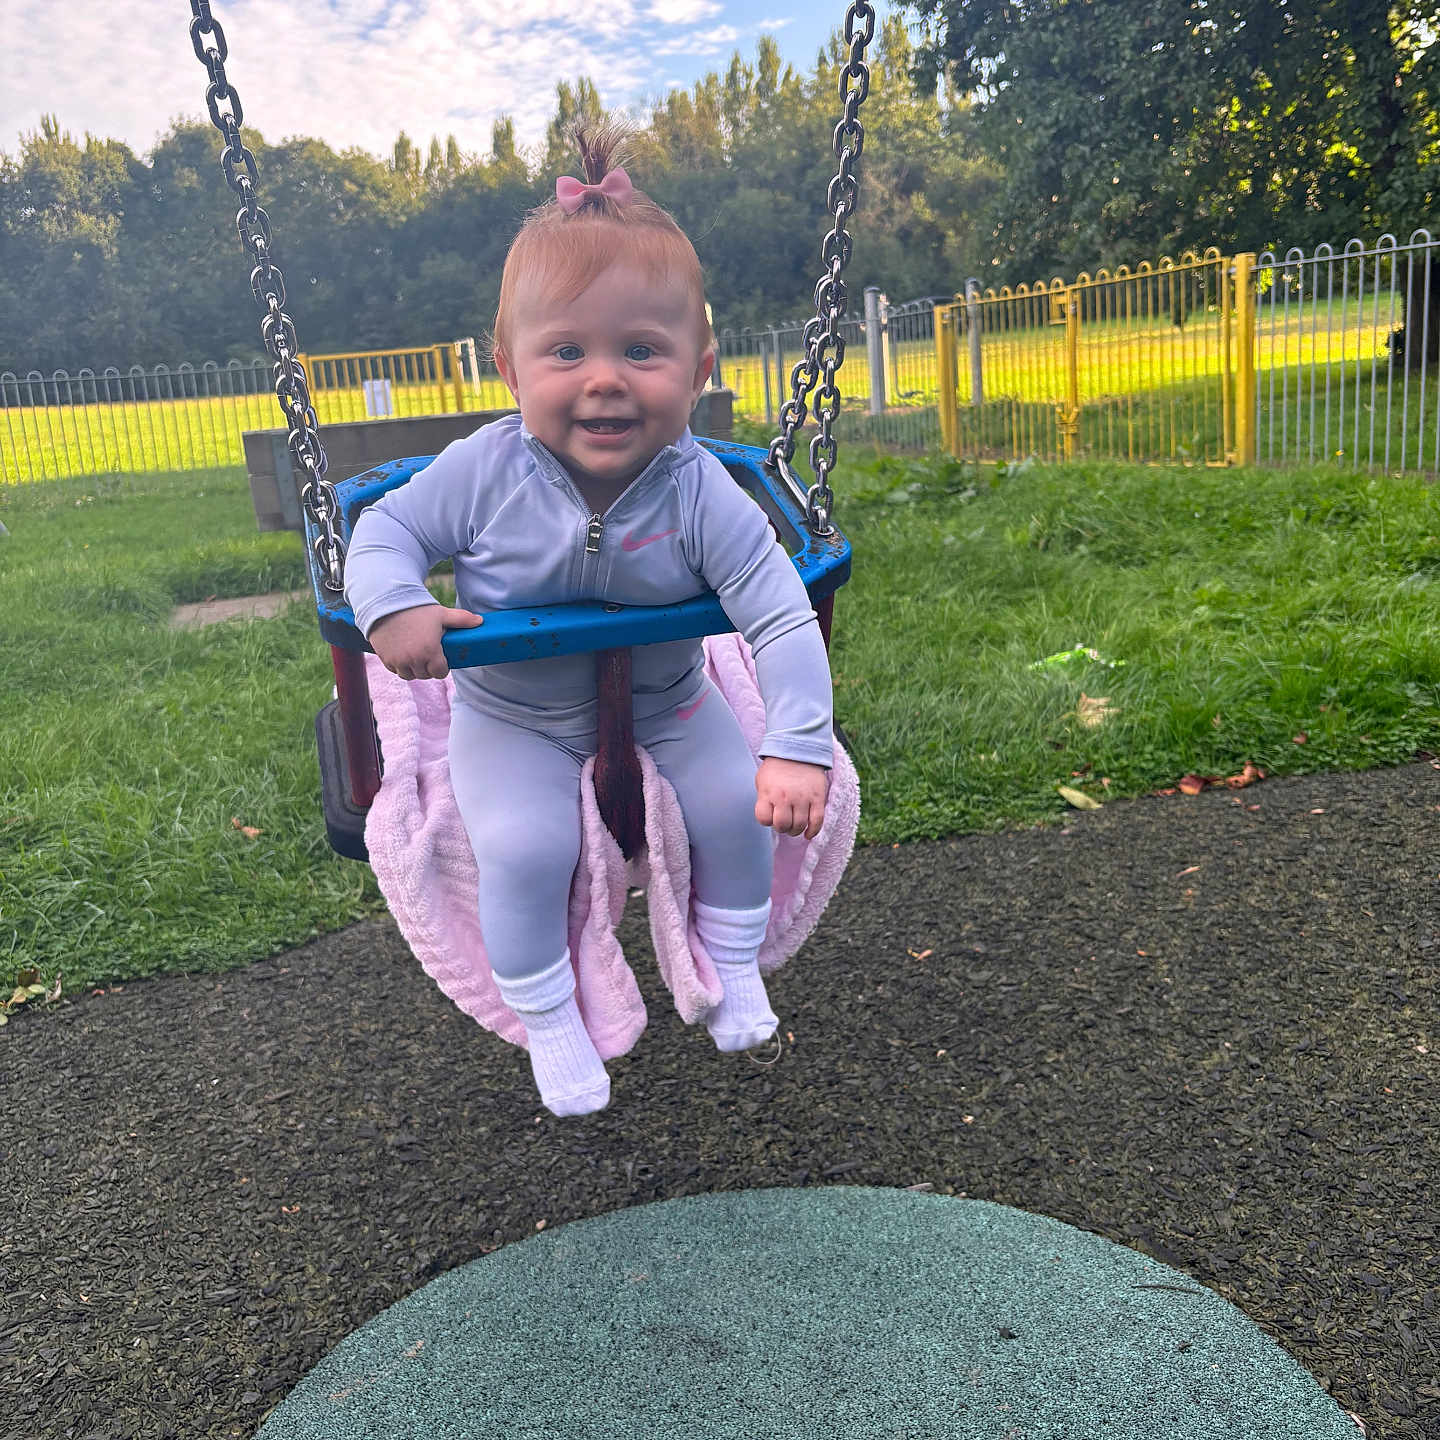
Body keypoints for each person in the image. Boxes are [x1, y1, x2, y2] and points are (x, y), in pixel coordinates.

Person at [343, 123, 833, 1117]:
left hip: (671, 701)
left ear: (699, 368)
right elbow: (385, 530)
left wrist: (796, 746)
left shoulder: (700, 489)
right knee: (524, 851)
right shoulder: (483, 471)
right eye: (566, 351)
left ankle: (734, 961)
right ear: (509, 368)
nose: (605, 378)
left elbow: (781, 618)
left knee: (739, 809)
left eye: (641, 350)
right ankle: (550, 1017)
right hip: (511, 715)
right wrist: (394, 604)